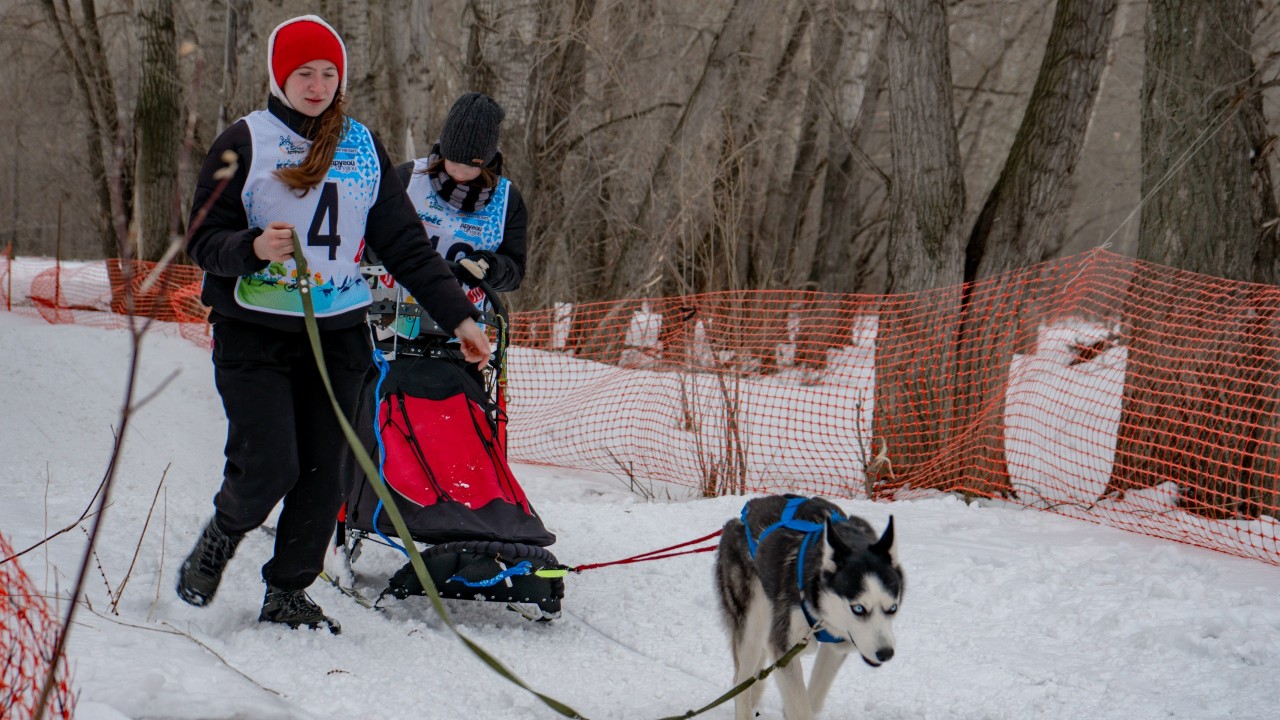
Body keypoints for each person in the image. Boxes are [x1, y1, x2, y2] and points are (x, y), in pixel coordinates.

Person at [177, 15, 491, 635]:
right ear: (279, 76)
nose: (317, 85)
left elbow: (405, 246)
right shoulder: (244, 141)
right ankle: (224, 532)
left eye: (328, 73)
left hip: (338, 332)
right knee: (269, 465)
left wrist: (459, 317)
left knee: (325, 473)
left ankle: (288, 591)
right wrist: (250, 247)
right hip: (255, 331)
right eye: (304, 73)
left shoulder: (362, 146)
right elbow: (201, 239)